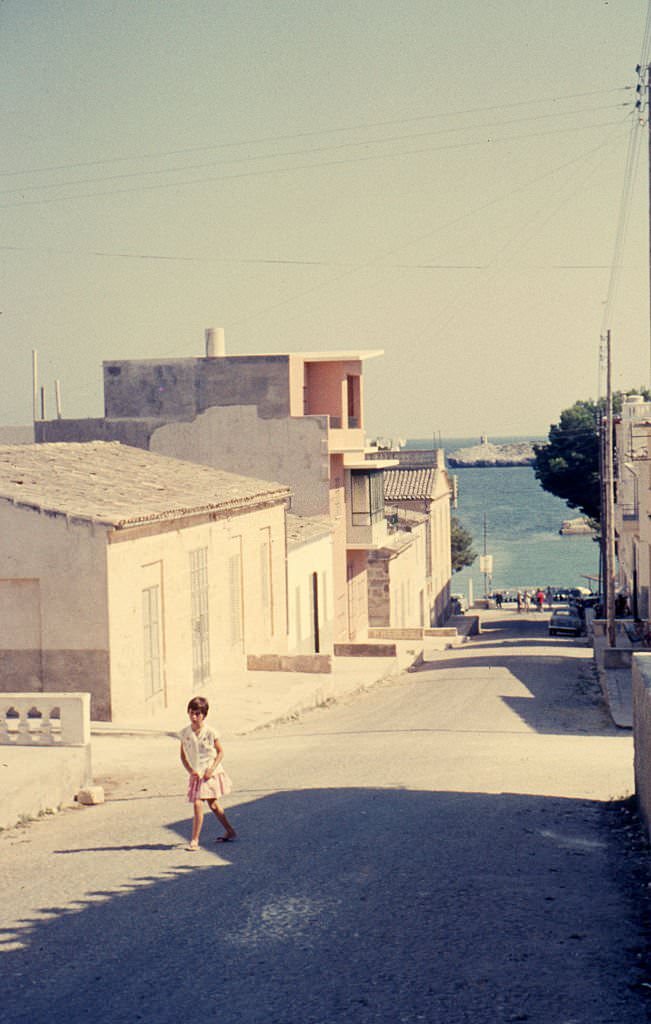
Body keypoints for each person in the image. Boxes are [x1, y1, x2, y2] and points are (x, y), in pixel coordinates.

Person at [180, 695, 236, 850]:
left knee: (199, 803)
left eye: (198, 714)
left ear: (204, 715)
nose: (194, 717)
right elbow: (183, 755)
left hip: (210, 774)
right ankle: (230, 831)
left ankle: (195, 840)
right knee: (214, 805)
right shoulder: (184, 733)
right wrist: (191, 771)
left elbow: (220, 752)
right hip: (197, 775)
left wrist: (211, 769)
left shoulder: (211, 733)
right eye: (191, 713)